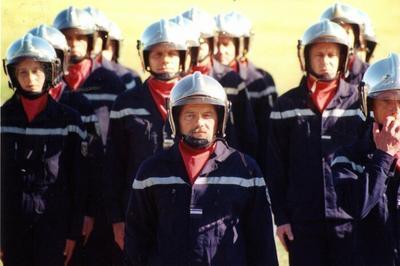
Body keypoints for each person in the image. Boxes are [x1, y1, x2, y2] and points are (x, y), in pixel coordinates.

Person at [124, 71, 278, 266]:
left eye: (207, 115)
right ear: (174, 118)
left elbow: (262, 242)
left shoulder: (245, 170)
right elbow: (137, 239)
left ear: (220, 118)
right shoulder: (152, 171)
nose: (199, 123)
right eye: (190, 115)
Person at [266, 20, 366, 266]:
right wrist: (282, 218)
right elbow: (275, 167)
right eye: (319, 54)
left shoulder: (359, 103)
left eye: (332, 54)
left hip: (349, 220)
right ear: (305, 58)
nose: (326, 61)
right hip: (303, 220)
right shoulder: (285, 106)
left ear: (344, 57)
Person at [1, 33, 86, 266]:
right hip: (13, 229)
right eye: (23, 72)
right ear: (12, 75)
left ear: (50, 72)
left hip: (54, 228)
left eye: (37, 70)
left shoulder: (69, 120)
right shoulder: (2, 119)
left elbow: (78, 181)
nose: (30, 78)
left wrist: (72, 233)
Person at [105, 18, 187, 256]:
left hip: (185, 207)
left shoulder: (197, 100)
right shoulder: (127, 103)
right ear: (145, 58)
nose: (165, 60)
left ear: (183, 56)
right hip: (138, 209)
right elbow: (113, 165)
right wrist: (116, 219)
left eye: (172, 53)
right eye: (157, 54)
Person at [53, 6, 126, 266]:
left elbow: (109, 149)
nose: (73, 44)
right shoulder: (49, 80)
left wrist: (93, 208)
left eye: (79, 38)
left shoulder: (111, 83)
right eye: (67, 37)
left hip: (99, 194)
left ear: (92, 41)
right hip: (61, 189)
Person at [331, 53, 400, 266]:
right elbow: (357, 207)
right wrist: (384, 156)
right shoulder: (348, 156)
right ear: (369, 104)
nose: (396, 110)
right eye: (386, 101)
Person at [182, 7, 259, 158]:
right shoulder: (174, 82)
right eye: (188, 42)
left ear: (212, 42)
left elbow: (247, 133)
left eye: (202, 41)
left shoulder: (231, 80)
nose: (196, 47)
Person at [214, 11, 277, 173]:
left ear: (242, 45)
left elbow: (266, 134)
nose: (220, 50)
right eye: (216, 44)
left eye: (226, 44)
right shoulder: (207, 79)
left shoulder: (260, 81)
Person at [320, 3, 369, 85]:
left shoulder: (368, 74)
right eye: (335, 33)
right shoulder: (317, 73)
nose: (341, 38)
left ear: (356, 37)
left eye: (346, 32)